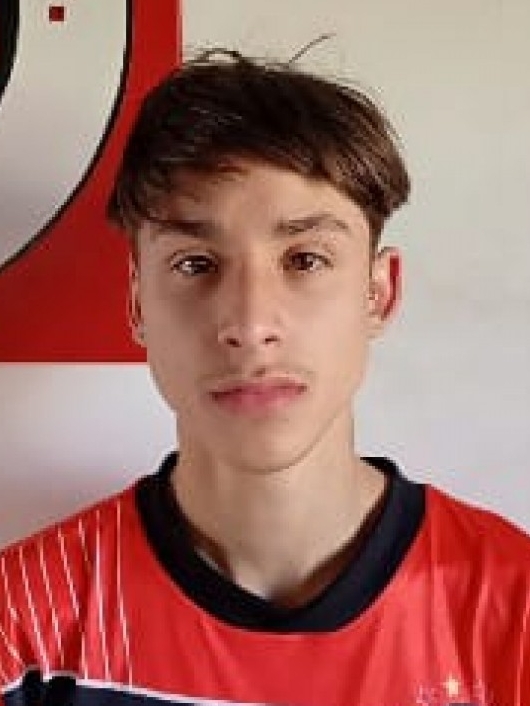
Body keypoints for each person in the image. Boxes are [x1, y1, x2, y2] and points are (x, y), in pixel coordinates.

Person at [0, 48, 528, 706]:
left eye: (304, 259)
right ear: (137, 305)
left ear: (378, 293)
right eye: (196, 264)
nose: (250, 324)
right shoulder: (20, 627)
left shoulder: (512, 608)